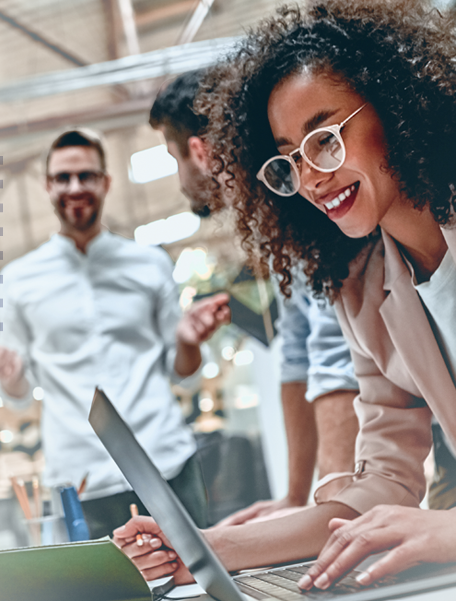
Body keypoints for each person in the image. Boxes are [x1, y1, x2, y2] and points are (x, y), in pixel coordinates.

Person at [117, 0, 456, 591]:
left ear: (393, 107)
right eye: (289, 159)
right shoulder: (362, 285)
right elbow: (385, 481)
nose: (312, 176)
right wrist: (208, 546)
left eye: (324, 138)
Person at [0, 128, 230, 539]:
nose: (74, 187)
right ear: (47, 186)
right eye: (62, 178)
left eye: (86, 176)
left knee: (200, 587)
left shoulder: (149, 264)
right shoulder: (16, 282)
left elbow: (184, 372)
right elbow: (18, 396)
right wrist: (9, 374)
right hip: (80, 479)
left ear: (106, 182)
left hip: (165, 462)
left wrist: (186, 341)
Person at [148, 69, 360, 527]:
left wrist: (331, 509)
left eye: (173, 157)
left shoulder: (297, 200)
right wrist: (296, 497)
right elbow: (298, 353)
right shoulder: (270, 219)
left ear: (199, 152)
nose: (181, 177)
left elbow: (333, 350)